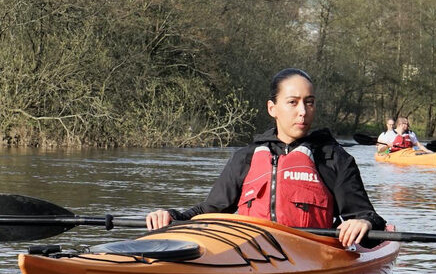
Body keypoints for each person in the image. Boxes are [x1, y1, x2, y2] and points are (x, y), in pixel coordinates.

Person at [146, 68, 386, 248]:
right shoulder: (246, 158)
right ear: (272, 108)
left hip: (311, 255)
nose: (303, 111)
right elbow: (208, 210)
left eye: (309, 103)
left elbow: (368, 217)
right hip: (251, 251)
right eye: (292, 102)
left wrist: (363, 223)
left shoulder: (333, 158)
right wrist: (172, 216)